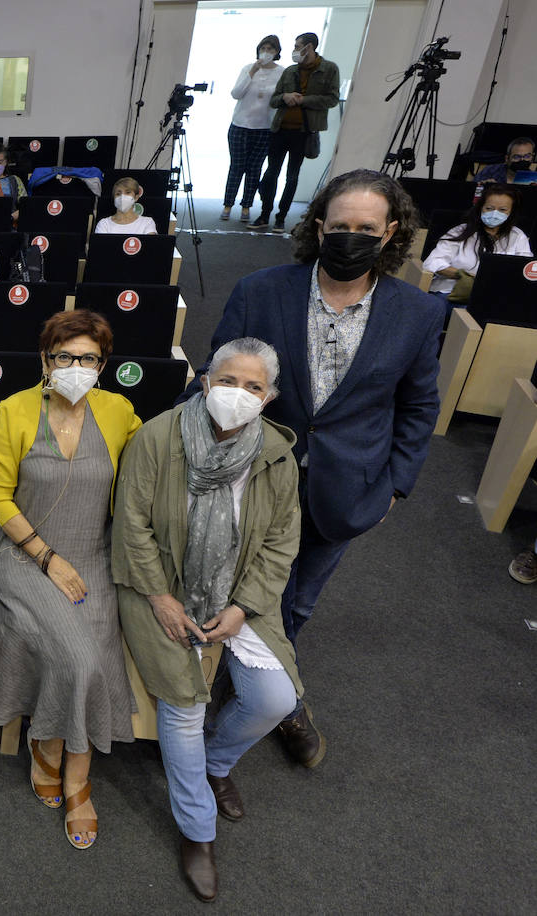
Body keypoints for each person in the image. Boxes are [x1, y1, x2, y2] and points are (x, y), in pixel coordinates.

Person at [189, 169, 445, 769]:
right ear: (319, 227)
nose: (350, 237)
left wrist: (395, 487)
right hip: (253, 475)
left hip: (347, 486)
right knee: (227, 583)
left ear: (390, 233)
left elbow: (418, 406)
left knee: (298, 600)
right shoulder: (261, 289)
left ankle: (268, 692)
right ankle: (218, 687)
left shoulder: (418, 313)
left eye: (365, 228)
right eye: (339, 226)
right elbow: (218, 374)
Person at [112, 338, 303, 903]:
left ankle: (215, 763)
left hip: (236, 592)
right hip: (158, 589)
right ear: (203, 380)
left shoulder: (275, 454)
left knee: (276, 700)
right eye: (227, 381)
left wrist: (243, 606)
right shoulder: (157, 436)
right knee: (184, 707)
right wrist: (161, 598)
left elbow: (279, 541)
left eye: (253, 387)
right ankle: (198, 831)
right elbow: (132, 526)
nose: (237, 395)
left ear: (269, 398)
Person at [0, 309, 141, 850]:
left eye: (87, 358)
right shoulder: (13, 410)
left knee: (95, 648)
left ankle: (52, 749)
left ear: (103, 364)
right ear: (46, 360)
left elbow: (150, 472)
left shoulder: (119, 412)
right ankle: (68, 768)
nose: (75, 366)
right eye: (64, 356)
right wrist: (47, 558)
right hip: (26, 558)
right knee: (82, 657)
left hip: (94, 556)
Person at [250, 33, 339, 232]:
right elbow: (274, 100)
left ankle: (281, 217)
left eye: (297, 46)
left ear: (309, 47)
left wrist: (303, 100)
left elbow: (332, 99)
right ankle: (264, 214)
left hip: (304, 132)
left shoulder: (329, 69)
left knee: (292, 176)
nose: (295, 49)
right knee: (271, 173)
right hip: (280, 129)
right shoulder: (290, 71)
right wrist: (286, 96)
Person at [422, 184, 531, 302]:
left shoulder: (518, 236)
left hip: (494, 296)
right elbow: (432, 262)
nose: (494, 213)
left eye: (502, 210)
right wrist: (461, 274)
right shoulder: (460, 231)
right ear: (480, 208)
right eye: (489, 208)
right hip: (450, 292)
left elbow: (523, 268)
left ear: (511, 212)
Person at [223, 36, 284, 222]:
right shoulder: (248, 68)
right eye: (263, 48)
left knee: (254, 168)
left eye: (270, 49)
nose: (266, 52)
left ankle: (246, 206)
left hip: (264, 127)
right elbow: (236, 93)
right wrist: (252, 71)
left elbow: (279, 99)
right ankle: (227, 204)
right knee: (237, 166)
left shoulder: (282, 72)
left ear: (276, 52)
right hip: (240, 124)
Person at [94, 178, 158, 235]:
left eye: (128, 192)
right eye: (118, 194)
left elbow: (150, 246)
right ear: (114, 198)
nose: (122, 197)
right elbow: (101, 247)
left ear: (136, 197)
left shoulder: (147, 222)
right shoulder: (104, 224)